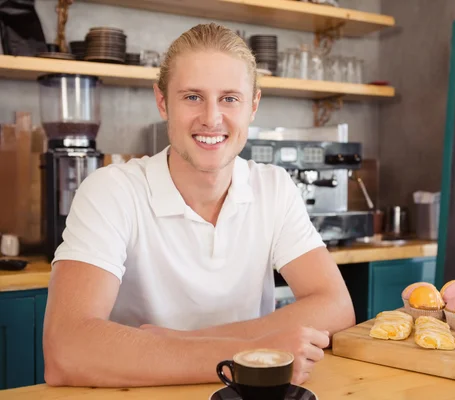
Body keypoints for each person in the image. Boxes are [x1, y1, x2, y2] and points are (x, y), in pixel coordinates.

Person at [43, 22, 355, 388]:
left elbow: (336, 306)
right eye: (192, 96)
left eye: (229, 98)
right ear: (163, 101)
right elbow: (66, 350)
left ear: (252, 105)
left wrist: (186, 341)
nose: (211, 117)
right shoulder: (111, 191)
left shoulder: (273, 188)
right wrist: (242, 355)